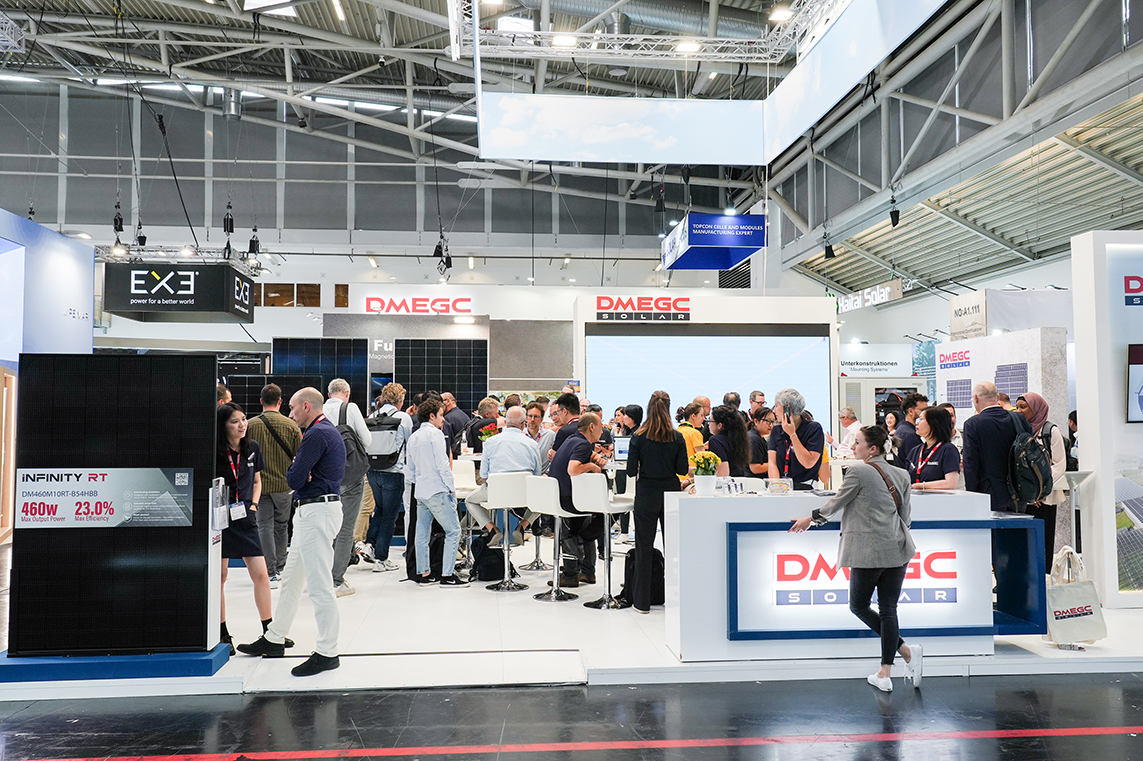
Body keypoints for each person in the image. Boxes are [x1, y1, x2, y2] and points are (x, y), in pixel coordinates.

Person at [789, 425, 922, 692]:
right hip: (898, 548)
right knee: (888, 610)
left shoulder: (858, 471)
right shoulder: (902, 474)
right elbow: (906, 517)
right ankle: (891, 665)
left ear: (872, 449)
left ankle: (900, 657)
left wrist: (810, 519)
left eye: (858, 442)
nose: (853, 446)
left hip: (868, 550)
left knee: (859, 606)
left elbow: (835, 503)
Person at [238, 387, 346, 677]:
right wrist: (298, 471)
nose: (291, 413)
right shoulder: (325, 431)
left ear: (307, 406)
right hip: (315, 510)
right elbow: (298, 476)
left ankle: (328, 651)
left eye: (294, 408)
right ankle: (275, 637)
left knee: (320, 585)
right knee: (292, 579)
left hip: (317, 512)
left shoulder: (316, 434)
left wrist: (298, 470)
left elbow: (294, 478)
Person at [216, 403, 274, 656]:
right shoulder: (215, 451)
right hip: (221, 519)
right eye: (234, 421)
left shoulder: (252, 448)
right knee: (220, 576)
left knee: (261, 574)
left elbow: (258, 481)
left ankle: (270, 631)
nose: (241, 425)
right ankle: (222, 633)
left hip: (246, 517)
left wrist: (253, 505)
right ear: (223, 426)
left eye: (243, 419)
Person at [626, 391, 688, 614]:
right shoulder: (676, 437)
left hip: (646, 494)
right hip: (670, 493)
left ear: (648, 408)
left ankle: (642, 602)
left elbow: (630, 471)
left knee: (643, 548)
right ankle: (675, 599)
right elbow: (682, 469)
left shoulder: (638, 437)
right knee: (673, 548)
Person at [404, 397, 467, 586]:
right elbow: (442, 464)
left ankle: (424, 574)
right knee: (453, 531)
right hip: (438, 490)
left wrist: (419, 482)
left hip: (421, 491)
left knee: (422, 533)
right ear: (432, 416)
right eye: (441, 415)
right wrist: (451, 488)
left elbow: (410, 469)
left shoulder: (414, 436)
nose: (443, 419)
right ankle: (447, 575)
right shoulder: (436, 435)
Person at [246, 384, 303, 588]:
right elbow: (299, 456)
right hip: (284, 485)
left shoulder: (250, 425)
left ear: (261, 401)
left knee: (264, 527)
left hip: (259, 486)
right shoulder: (291, 426)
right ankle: (281, 566)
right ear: (280, 401)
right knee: (282, 526)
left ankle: (269, 571)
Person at [548, 413, 609, 587]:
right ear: (592, 427)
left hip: (560, 496)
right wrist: (592, 466)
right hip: (569, 500)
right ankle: (575, 573)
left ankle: (578, 571)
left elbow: (580, 455)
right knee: (581, 528)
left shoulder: (572, 440)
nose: (602, 431)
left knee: (584, 525)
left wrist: (594, 457)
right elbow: (573, 469)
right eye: (600, 427)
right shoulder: (582, 444)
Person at [324, 379, 372, 598]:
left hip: (325, 476)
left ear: (329, 394)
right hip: (350, 475)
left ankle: (322, 576)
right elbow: (367, 440)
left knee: (326, 527)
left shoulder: (320, 408)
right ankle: (336, 580)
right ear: (347, 393)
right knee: (345, 528)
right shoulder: (349, 408)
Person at [360, 382, 413, 573]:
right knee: (390, 516)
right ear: (400, 400)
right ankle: (381, 560)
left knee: (380, 510)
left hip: (373, 471)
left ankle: (370, 544)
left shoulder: (372, 416)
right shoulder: (403, 417)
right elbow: (410, 442)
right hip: (394, 472)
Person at [477, 406, 543, 545]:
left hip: (496, 494)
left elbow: (484, 475)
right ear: (523, 424)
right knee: (544, 498)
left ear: (505, 422)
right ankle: (522, 526)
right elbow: (537, 475)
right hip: (524, 495)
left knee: (470, 501)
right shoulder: (532, 444)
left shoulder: (490, 442)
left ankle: (492, 529)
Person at [1016, 392, 1068, 563]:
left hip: (1044, 497)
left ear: (1036, 408)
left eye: (1023, 407)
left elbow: (1059, 464)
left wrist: (1038, 490)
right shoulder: (1018, 430)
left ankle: (1043, 576)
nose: (1019, 411)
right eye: (1017, 407)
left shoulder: (1050, 431)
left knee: (1043, 541)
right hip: (1023, 498)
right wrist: (1027, 492)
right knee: (1023, 544)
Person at [963, 381, 1022, 513]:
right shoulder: (1019, 419)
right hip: (1020, 492)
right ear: (998, 397)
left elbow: (971, 463)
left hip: (988, 493)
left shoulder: (973, 424)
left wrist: (971, 494)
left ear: (976, 398)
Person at [768, 388, 825, 490]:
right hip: (782, 487)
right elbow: (772, 463)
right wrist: (776, 486)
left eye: (776, 406)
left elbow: (808, 463)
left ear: (787, 407)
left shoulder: (814, 429)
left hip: (807, 487)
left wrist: (792, 434)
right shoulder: (776, 431)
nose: (774, 411)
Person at [907, 406, 960, 491]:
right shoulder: (915, 451)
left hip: (938, 498)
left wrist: (921, 486)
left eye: (921, 419)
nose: (917, 423)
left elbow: (951, 483)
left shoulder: (948, 450)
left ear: (933, 423)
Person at [707, 405, 750, 478]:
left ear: (720, 425)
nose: (708, 423)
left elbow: (722, 474)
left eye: (710, 421)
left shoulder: (715, 440)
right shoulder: (740, 439)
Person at [675, 402, 706, 485]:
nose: (704, 419)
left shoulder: (676, 432)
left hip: (676, 477)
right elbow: (702, 459)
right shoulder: (695, 433)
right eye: (701, 415)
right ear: (693, 416)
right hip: (690, 479)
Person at [895, 393, 928, 464]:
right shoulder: (911, 435)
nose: (926, 413)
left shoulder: (901, 428)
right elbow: (916, 462)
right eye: (923, 410)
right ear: (910, 411)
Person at [525, 401, 556, 474]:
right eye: (530, 416)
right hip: (524, 475)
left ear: (542, 419)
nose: (532, 419)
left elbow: (557, 459)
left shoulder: (550, 435)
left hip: (543, 476)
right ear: (526, 417)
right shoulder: (521, 435)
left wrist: (547, 473)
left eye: (536, 417)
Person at [441, 392, 472, 457]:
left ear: (448, 401)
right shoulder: (465, 415)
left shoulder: (447, 418)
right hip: (463, 453)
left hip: (454, 454)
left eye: (441, 402)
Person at [747, 407, 775, 479]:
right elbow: (755, 468)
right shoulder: (753, 439)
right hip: (753, 482)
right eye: (768, 421)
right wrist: (776, 464)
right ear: (756, 421)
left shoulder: (758, 438)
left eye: (773, 422)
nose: (771, 425)